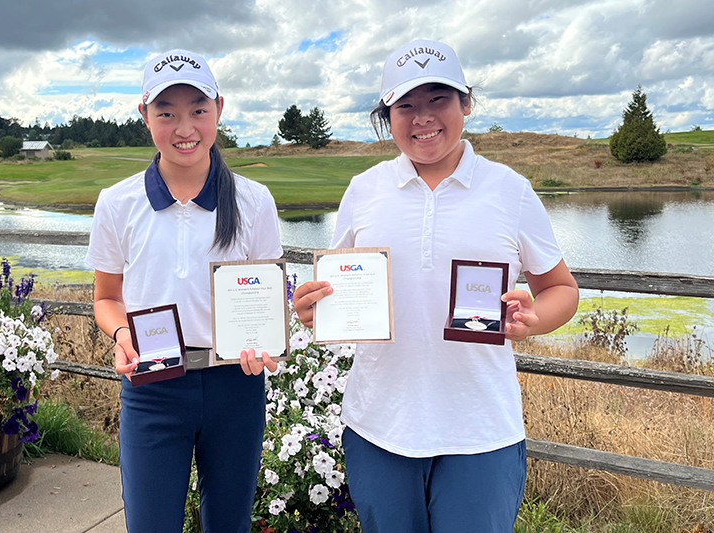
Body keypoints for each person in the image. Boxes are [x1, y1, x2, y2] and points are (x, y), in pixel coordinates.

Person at [293, 40, 579, 532]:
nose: (422, 117)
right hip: (378, 425)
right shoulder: (365, 189)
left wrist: (534, 319)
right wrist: (313, 308)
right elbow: (334, 288)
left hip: (482, 431)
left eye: (438, 99)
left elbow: (562, 289)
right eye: (406, 105)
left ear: (465, 104)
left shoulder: (508, 189)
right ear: (387, 115)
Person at [86, 49, 281, 532]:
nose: (185, 126)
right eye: (166, 112)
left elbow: (268, 299)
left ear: (219, 108)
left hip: (235, 383)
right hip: (152, 387)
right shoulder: (117, 202)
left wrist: (268, 340)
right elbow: (107, 298)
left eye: (198, 109)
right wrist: (120, 336)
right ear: (144, 116)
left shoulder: (254, 200)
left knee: (229, 522)